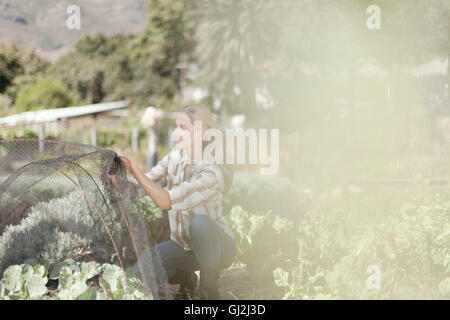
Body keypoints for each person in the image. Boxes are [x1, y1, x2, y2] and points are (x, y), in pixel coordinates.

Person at [119, 104, 236, 300]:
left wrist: (134, 169)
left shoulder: (212, 171)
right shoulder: (176, 156)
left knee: (200, 224)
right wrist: (120, 180)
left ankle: (209, 287)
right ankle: (187, 278)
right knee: (142, 271)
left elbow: (166, 201)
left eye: (183, 128)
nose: (176, 134)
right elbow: (147, 182)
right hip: (182, 246)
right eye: (176, 126)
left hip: (218, 247)